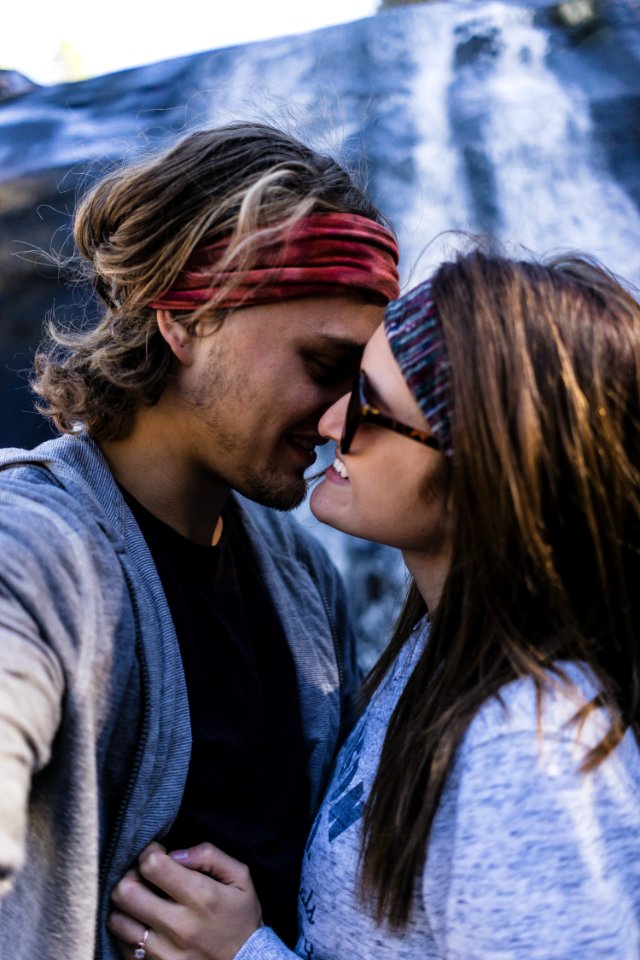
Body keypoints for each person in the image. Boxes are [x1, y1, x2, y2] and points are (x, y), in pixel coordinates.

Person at [109, 247, 640, 959]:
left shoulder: (530, 756)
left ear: (483, 469)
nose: (329, 423)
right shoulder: (440, 650)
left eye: (369, 405)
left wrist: (247, 956)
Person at [0, 122, 401, 959]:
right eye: (325, 366)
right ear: (185, 316)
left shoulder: (300, 569)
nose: (345, 421)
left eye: (365, 384)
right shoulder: (34, 554)